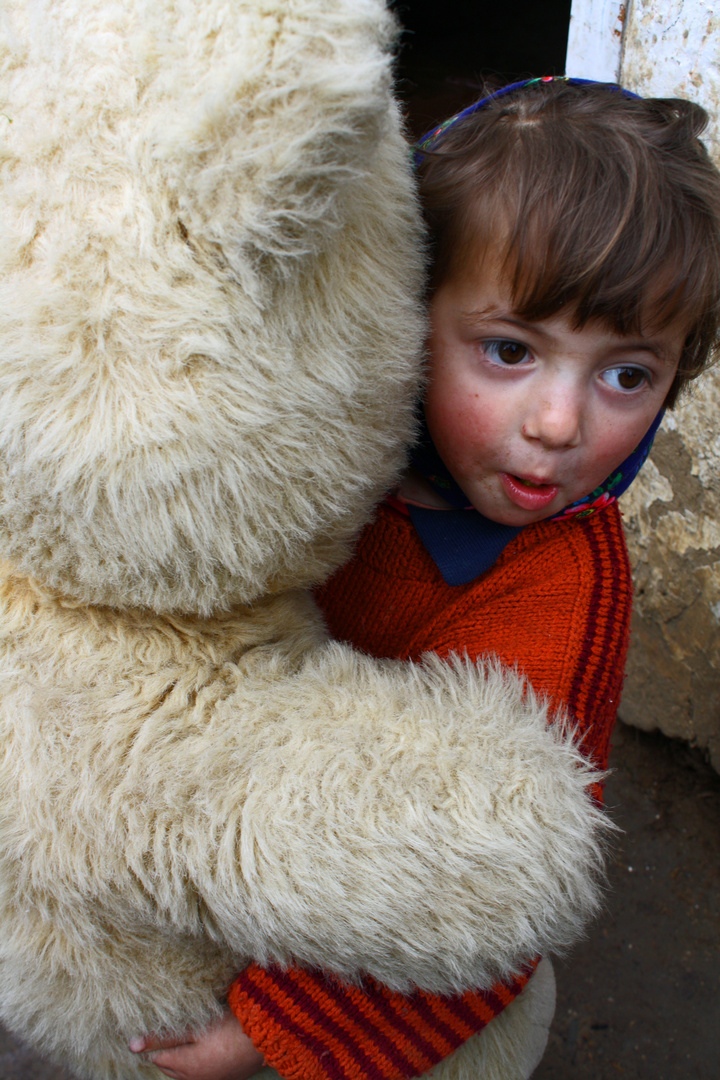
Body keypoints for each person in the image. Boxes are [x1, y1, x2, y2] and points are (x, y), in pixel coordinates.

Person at [130, 76, 720, 1080]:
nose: (560, 424)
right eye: (509, 350)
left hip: (398, 970)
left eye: (628, 374)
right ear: (405, 308)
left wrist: (268, 1035)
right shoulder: (332, 458)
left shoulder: (559, 600)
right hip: (272, 840)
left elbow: (483, 882)